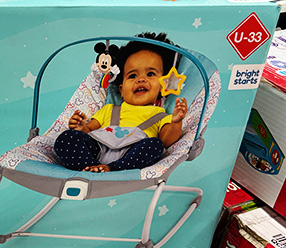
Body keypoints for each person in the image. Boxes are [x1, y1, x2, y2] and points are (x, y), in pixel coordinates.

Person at [54, 33, 188, 173]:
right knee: (66, 138)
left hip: (131, 154)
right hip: (97, 150)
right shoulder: (109, 109)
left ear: (163, 85)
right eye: (132, 75)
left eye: (150, 74)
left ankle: (112, 168)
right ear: (121, 89)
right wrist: (81, 128)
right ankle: (90, 166)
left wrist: (176, 122)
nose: (141, 80)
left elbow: (167, 141)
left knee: (156, 145)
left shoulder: (161, 115)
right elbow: (88, 130)